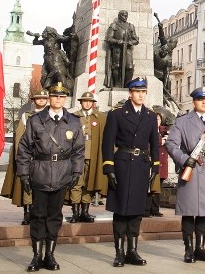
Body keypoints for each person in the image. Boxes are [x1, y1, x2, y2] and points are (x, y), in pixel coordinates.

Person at [16, 83, 85, 272]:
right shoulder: (36, 120)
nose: (58, 100)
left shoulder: (73, 122)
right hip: (39, 173)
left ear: (66, 99)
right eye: (55, 96)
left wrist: (77, 172)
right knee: (38, 216)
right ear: (49, 98)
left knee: (55, 216)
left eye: (62, 97)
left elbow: (78, 150)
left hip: (62, 174)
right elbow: (23, 149)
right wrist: (23, 173)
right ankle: (36, 257)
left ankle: (50, 256)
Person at [102, 77, 161, 267]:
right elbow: (107, 143)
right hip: (123, 164)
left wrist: (155, 166)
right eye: (137, 92)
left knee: (136, 211)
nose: (141, 95)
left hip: (142, 166)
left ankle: (132, 251)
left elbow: (155, 143)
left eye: (143, 92)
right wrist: (109, 167)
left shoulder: (150, 116)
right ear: (130, 93)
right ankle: (119, 252)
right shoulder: (117, 114)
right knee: (121, 210)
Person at [166, 86, 205, 263]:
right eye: (201, 100)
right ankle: (188, 249)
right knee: (189, 210)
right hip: (191, 169)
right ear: (194, 102)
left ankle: (200, 248)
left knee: (204, 211)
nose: (204, 102)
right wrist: (185, 159)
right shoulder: (183, 121)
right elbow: (171, 144)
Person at [2, 89, 48, 225]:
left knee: (43, 186)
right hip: (30, 157)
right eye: (38, 98)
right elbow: (19, 137)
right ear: (34, 101)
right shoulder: (26, 116)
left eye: (43, 98)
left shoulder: (52, 116)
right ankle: (28, 213)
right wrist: (20, 156)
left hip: (45, 158)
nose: (41, 100)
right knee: (28, 186)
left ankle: (41, 213)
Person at [68, 92, 107, 224]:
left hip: (93, 155)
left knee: (89, 183)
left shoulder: (99, 117)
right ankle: (75, 212)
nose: (87, 103)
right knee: (76, 183)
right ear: (81, 102)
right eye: (85, 101)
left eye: (90, 101)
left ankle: (85, 211)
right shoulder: (73, 117)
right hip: (77, 156)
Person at [105, 10, 139, 90]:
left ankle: (127, 84)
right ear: (119, 16)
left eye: (126, 15)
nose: (125, 17)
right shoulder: (114, 25)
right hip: (117, 49)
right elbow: (109, 39)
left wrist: (131, 42)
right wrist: (117, 41)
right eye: (123, 15)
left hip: (127, 49)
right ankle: (117, 84)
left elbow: (136, 40)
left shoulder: (131, 26)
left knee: (130, 67)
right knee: (116, 66)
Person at [145, 113, 168, 218]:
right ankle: (147, 209)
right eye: (155, 119)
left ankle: (155, 209)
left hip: (162, 163)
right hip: (152, 162)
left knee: (158, 187)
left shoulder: (164, 131)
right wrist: (161, 141)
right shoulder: (149, 130)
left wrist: (166, 139)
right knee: (150, 186)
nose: (157, 121)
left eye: (158, 119)